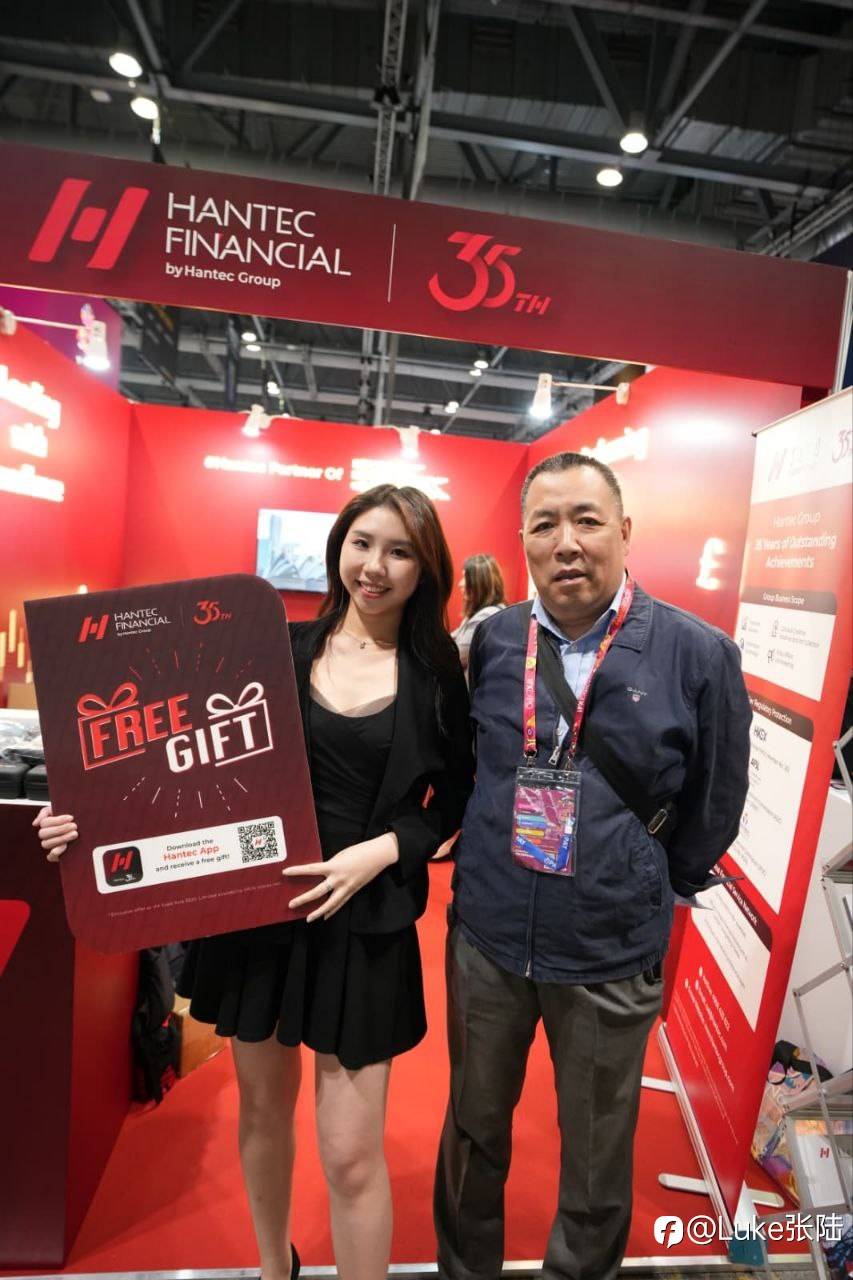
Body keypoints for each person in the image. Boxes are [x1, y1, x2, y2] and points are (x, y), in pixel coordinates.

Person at [35, 483, 475, 1280]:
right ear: (338, 548)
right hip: (258, 914)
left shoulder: (437, 674)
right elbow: (173, 759)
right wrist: (81, 820)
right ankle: (276, 1268)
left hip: (362, 926)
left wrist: (381, 851)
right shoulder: (274, 648)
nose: (374, 567)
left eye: (399, 551)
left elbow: (453, 796)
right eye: (362, 543)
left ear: (425, 569)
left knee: (350, 1154)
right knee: (264, 1115)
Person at [434, 451, 751, 1280]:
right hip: (488, 937)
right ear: (524, 541)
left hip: (609, 950)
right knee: (471, 1133)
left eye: (586, 520)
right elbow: (466, 768)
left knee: (595, 1159)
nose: (565, 542)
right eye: (544, 524)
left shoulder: (695, 653)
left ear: (624, 531)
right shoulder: (494, 639)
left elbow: (716, 801)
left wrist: (642, 879)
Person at [451, 553, 508, 672]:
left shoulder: (486, 616)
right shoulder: (478, 614)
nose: (460, 584)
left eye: (465, 578)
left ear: (479, 583)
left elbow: (454, 657)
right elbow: (450, 640)